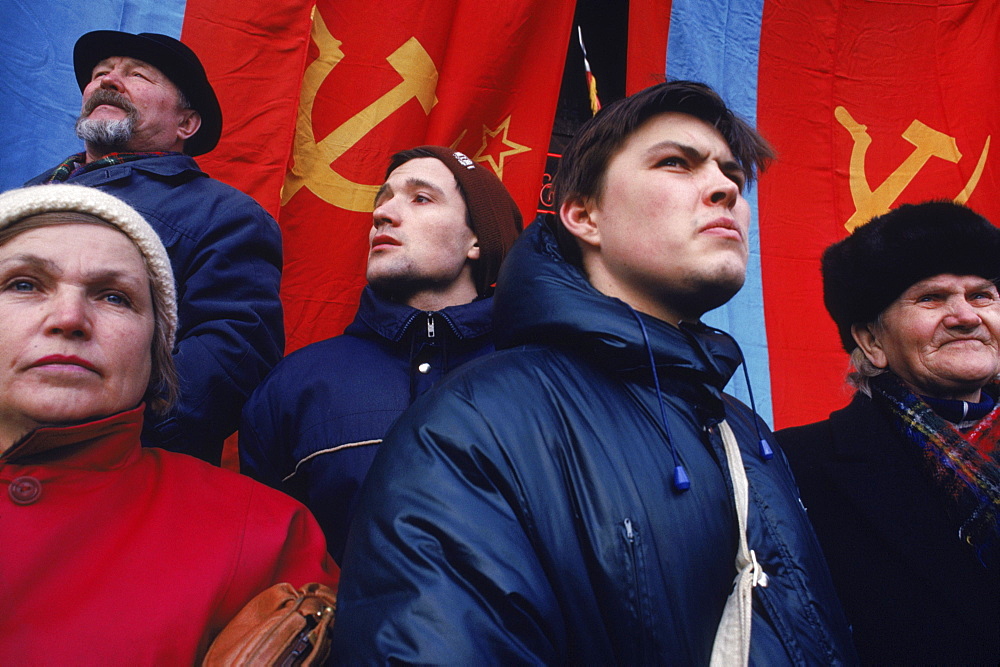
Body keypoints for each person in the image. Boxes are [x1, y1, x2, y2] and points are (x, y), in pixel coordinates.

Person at [330, 81, 855, 664]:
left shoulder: (750, 436)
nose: (726, 189)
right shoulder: (474, 427)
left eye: (732, 174)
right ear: (584, 215)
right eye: (677, 163)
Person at [0, 184, 335, 663]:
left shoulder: (267, 537)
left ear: (157, 355)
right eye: (24, 284)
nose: (70, 317)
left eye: (114, 297)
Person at [239, 146, 522, 563]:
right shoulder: (295, 385)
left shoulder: (538, 380)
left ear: (477, 240)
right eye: (383, 199)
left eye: (420, 198)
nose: (383, 214)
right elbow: (263, 562)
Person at [22, 30, 284, 464]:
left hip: (113, 473)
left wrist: (103, 433)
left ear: (186, 124)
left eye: (138, 75)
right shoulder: (25, 197)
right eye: (100, 73)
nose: (109, 81)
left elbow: (235, 352)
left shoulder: (226, 215)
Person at [776, 201, 1000, 664]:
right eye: (931, 298)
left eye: (982, 295)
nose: (965, 316)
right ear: (871, 342)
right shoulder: (794, 466)